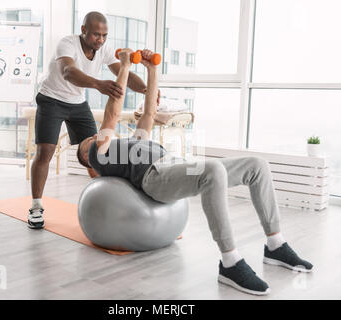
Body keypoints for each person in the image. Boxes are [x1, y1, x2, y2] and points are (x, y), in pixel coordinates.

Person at [76, 48, 314, 296]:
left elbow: (149, 113)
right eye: (85, 143)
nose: (92, 136)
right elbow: (112, 114)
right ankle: (230, 262)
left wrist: (152, 69)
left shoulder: (130, 143)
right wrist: (124, 66)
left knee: (257, 165)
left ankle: (275, 244)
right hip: (155, 178)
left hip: (176, 165)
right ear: (88, 160)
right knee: (213, 170)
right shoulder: (100, 155)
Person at [28, 11, 153, 229]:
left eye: (105, 35)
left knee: (98, 151)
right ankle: (36, 207)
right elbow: (68, 71)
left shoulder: (102, 49)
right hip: (51, 99)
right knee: (45, 152)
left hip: (77, 103)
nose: (101, 40)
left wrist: (145, 88)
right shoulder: (67, 44)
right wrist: (98, 84)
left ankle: (103, 202)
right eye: (96, 35)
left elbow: (123, 73)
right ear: (84, 30)